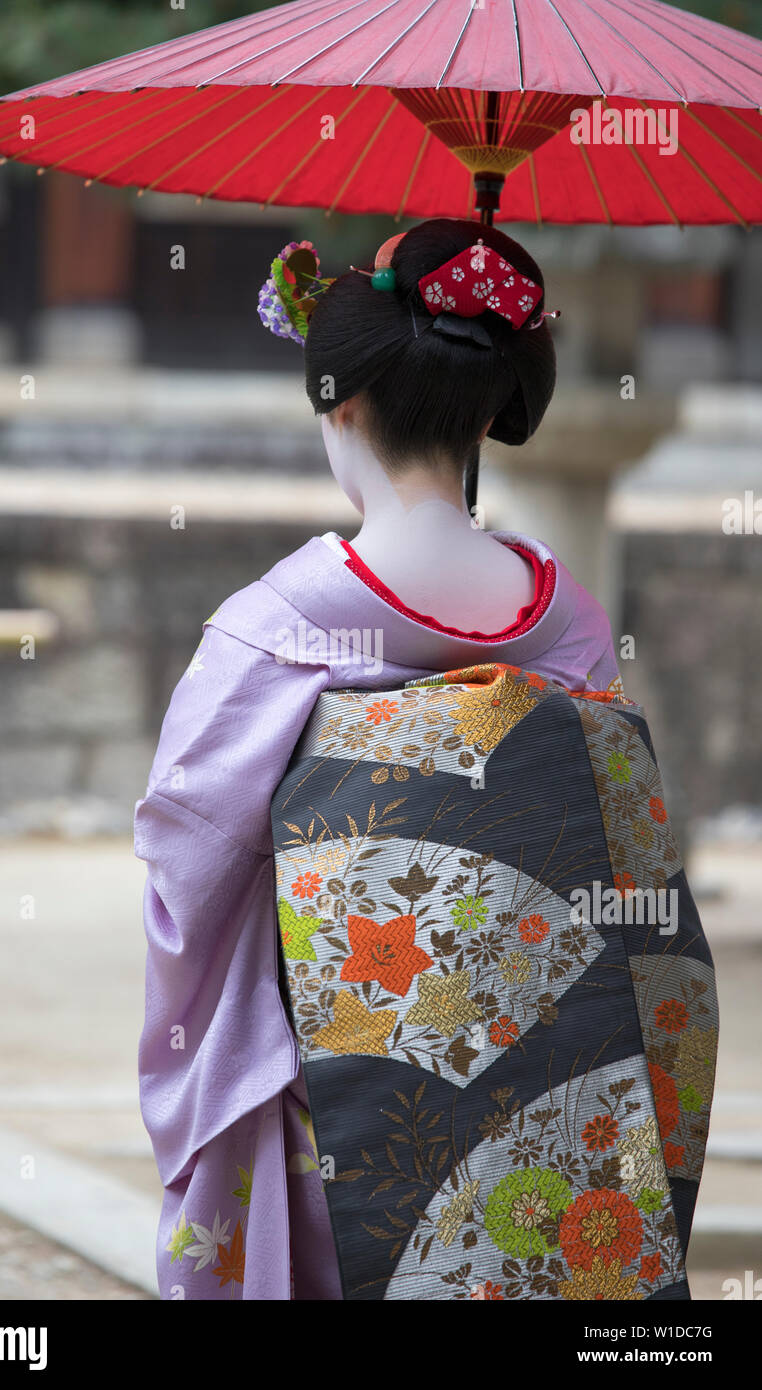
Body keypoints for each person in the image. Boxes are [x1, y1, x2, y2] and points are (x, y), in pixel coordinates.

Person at [135, 220, 712, 1300]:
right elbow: (619, 848)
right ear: (490, 410)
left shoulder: (280, 624)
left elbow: (186, 853)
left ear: (339, 405)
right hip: (536, 1099)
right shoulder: (571, 625)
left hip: (328, 1091)